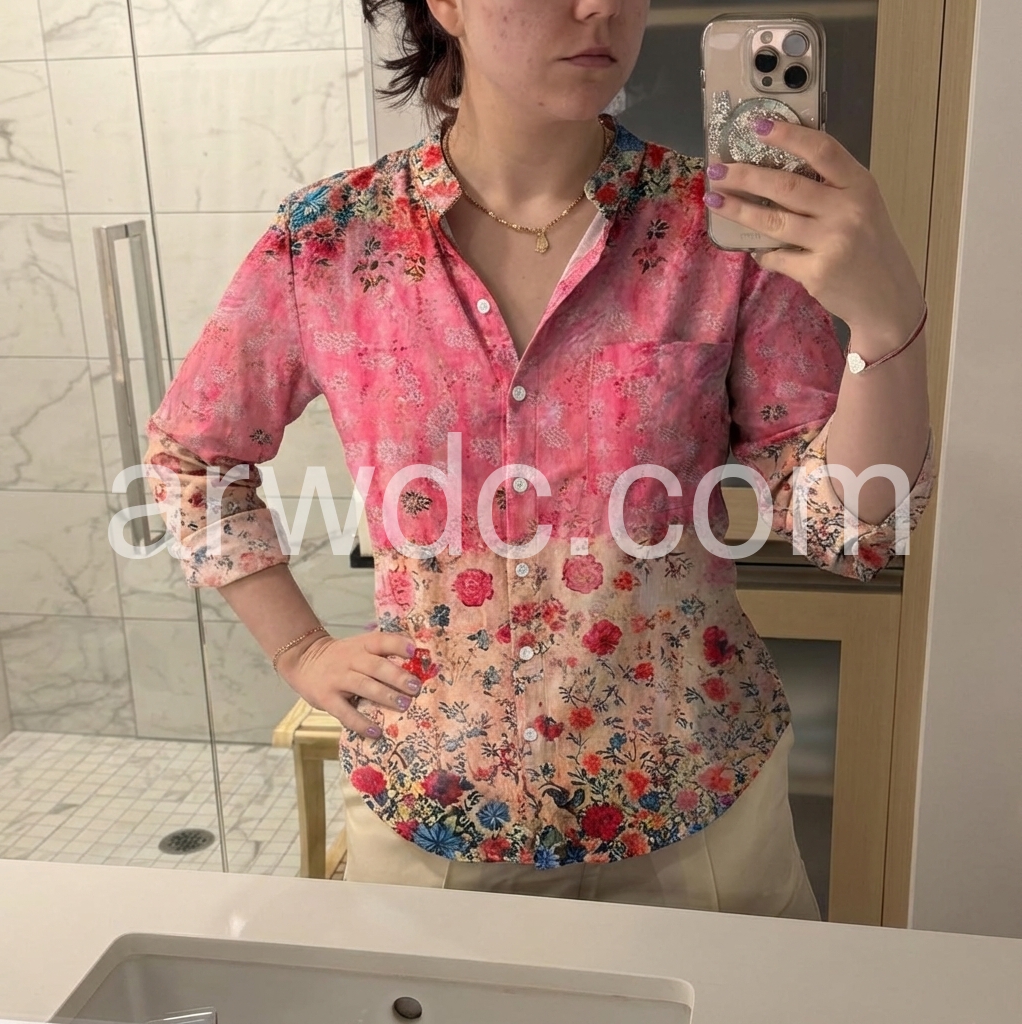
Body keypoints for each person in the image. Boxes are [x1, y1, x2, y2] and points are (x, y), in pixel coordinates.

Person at [143, 0, 934, 918]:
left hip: (697, 810)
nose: (601, 7)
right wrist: (300, 648)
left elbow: (849, 531)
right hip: (435, 804)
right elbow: (191, 455)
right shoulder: (331, 239)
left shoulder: (718, 232)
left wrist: (886, 321)